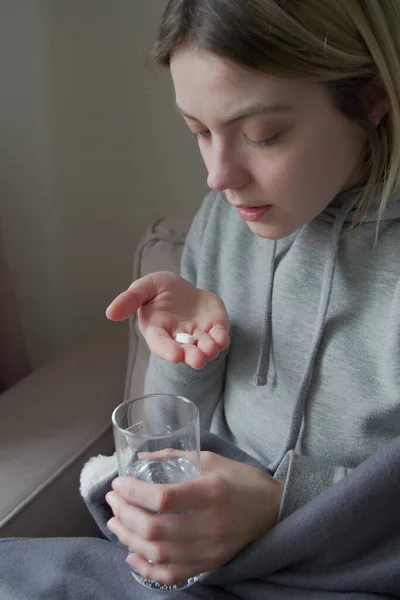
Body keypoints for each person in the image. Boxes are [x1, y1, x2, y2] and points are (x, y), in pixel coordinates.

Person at [2, 1, 400, 599]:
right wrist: (189, 357)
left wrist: (279, 505)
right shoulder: (227, 220)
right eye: (199, 132)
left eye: (263, 135)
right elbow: (171, 443)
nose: (218, 176)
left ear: (372, 99)